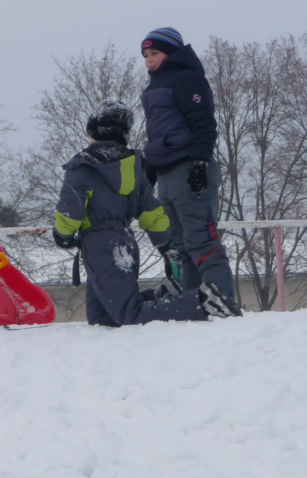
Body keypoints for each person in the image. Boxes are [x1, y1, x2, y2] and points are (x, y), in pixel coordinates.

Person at [52, 100, 239, 326]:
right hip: (124, 241)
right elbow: (151, 210)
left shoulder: (82, 167)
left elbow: (70, 210)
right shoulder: (134, 165)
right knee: (102, 318)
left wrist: (62, 235)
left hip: (99, 244)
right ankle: (164, 295)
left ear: (94, 132)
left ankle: (203, 302)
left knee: (130, 314)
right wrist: (166, 246)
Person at [139, 27, 242, 316]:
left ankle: (222, 301)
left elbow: (203, 123)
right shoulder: (154, 87)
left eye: (155, 53)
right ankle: (192, 302)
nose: (149, 60)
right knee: (180, 245)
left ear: (171, 52)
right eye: (146, 55)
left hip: (189, 169)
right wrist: (149, 165)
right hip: (167, 173)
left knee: (201, 239)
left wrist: (199, 162)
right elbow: (161, 133)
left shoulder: (187, 79)